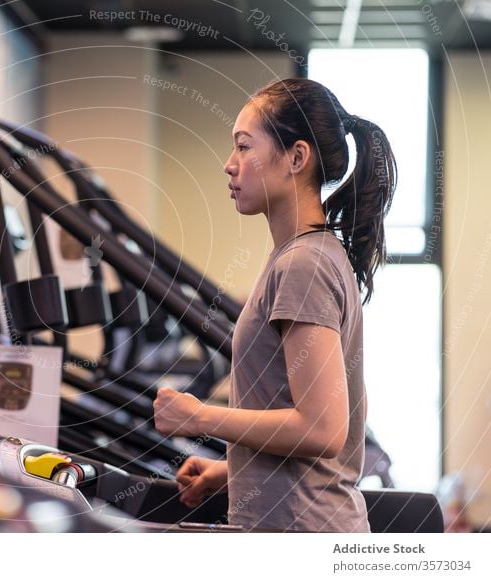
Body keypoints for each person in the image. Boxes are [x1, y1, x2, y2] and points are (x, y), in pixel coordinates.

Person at [153, 78, 396, 532]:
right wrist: (230, 472)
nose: (230, 165)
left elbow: (322, 430)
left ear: (297, 158)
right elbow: (301, 425)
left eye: (244, 147)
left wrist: (196, 416)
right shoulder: (301, 256)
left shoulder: (305, 263)